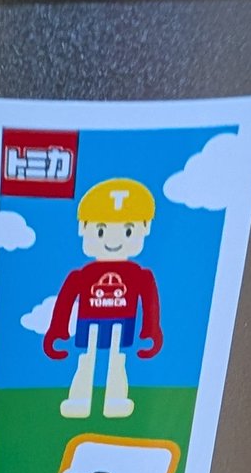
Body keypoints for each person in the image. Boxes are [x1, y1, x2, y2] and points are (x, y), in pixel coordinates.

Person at [44, 178, 162, 418]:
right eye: (100, 230)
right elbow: (66, 301)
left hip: (122, 322)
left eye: (128, 230)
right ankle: (79, 400)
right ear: (83, 229)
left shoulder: (140, 275)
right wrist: (58, 329)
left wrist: (151, 329)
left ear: (145, 228)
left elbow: (149, 302)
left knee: (117, 360)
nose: (113, 240)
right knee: (86, 359)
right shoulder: (83, 275)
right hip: (90, 323)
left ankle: (115, 400)